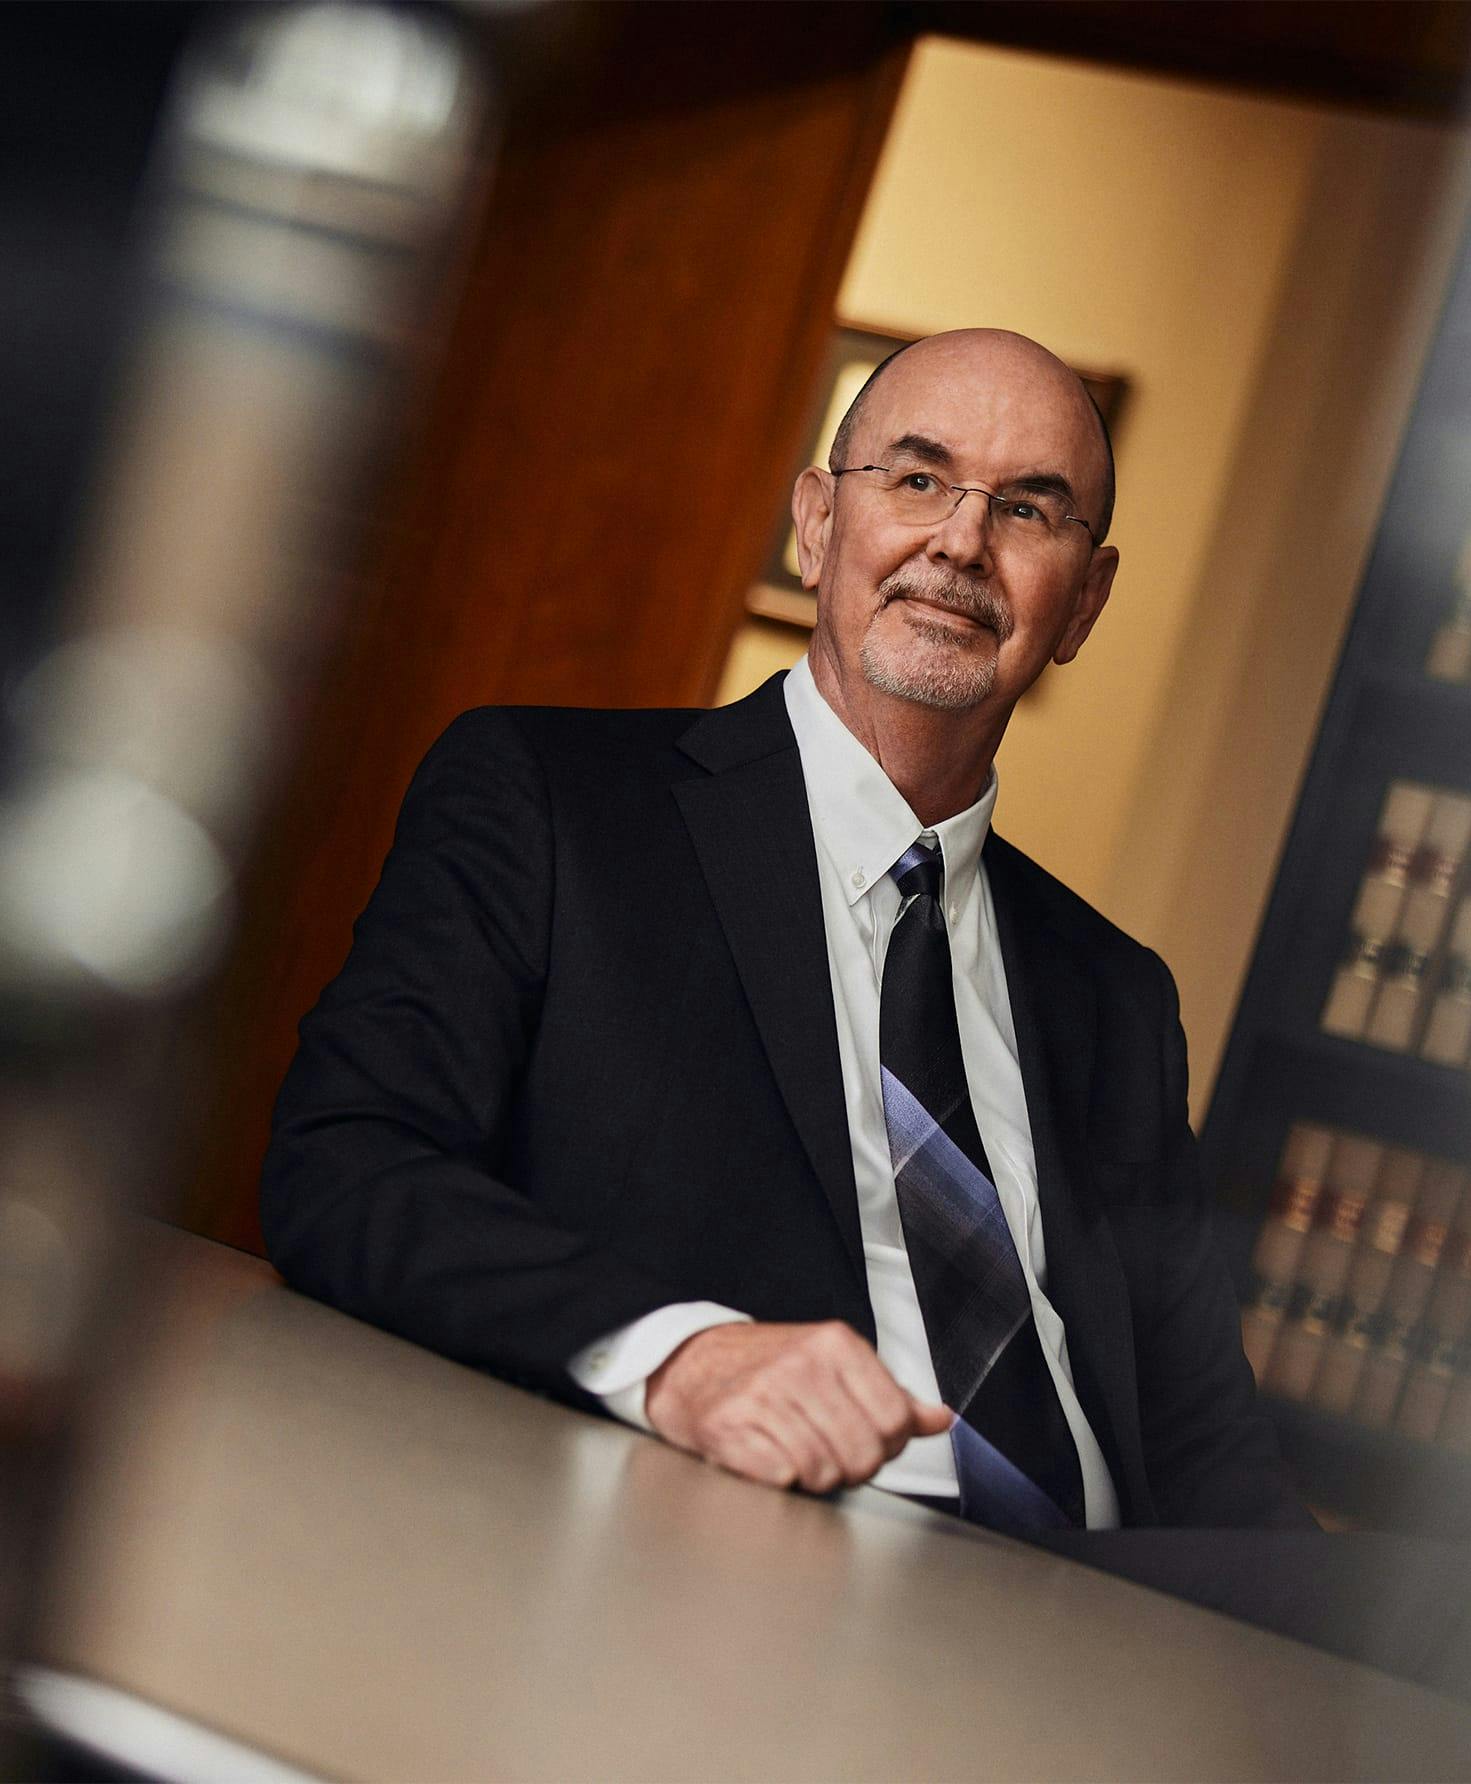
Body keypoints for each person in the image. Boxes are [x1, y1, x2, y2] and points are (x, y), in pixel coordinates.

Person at [262, 327, 1314, 1543]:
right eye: (917, 479)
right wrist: (683, 1359)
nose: (961, 541)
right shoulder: (549, 802)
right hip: (743, 1570)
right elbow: (344, 1161)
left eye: (1029, 508)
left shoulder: (1117, 995)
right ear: (817, 523)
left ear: (1085, 599)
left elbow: (1199, 1436)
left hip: (1098, 1620)